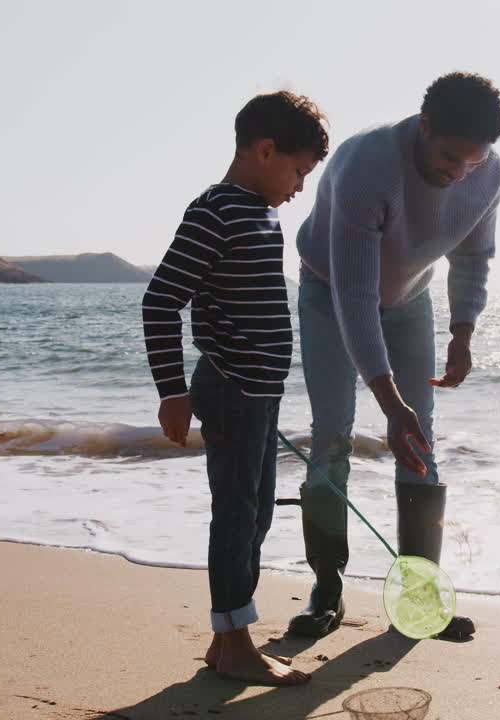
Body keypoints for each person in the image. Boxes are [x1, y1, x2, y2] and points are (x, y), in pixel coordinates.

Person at [288, 72, 500, 640]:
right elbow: (356, 298)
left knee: (419, 437)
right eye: (450, 156)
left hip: (411, 297)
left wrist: (463, 332)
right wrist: (389, 400)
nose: (459, 170)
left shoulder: (487, 172)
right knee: (333, 432)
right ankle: (327, 589)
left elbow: (473, 257)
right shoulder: (366, 167)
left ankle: (418, 594)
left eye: (473, 160)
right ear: (425, 126)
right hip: (328, 291)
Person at [142, 91, 328, 685]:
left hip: (258, 393)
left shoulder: (260, 211)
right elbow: (161, 299)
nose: (299, 186)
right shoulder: (217, 210)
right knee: (236, 513)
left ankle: (226, 643)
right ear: (265, 149)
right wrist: (173, 391)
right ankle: (237, 643)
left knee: (255, 514)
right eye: (298, 171)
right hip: (230, 387)